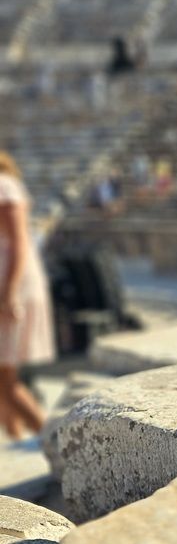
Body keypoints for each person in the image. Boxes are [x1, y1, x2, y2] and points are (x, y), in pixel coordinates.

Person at [0, 152, 56, 438]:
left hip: (12, 289)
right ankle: (16, 434)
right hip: (8, 286)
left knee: (5, 379)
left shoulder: (5, 186)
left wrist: (9, 295)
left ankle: (54, 443)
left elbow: (19, 243)